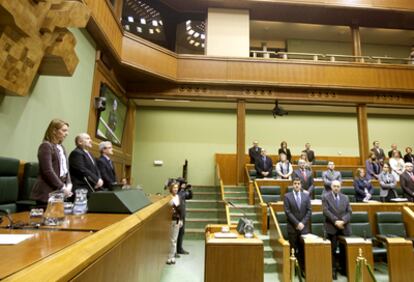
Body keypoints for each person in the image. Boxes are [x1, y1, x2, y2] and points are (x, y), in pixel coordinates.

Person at [31, 119, 72, 207]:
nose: (67, 133)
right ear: (54, 131)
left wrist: (69, 184)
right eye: (64, 130)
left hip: (58, 193)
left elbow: (66, 169)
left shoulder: (62, 148)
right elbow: (47, 171)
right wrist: (62, 187)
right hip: (46, 193)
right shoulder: (46, 146)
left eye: (67, 131)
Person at [322, 180, 352, 280]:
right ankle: (333, 271)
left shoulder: (345, 197)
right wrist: (336, 222)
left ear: (340, 187)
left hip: (344, 227)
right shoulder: (326, 197)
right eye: (334, 186)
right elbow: (326, 211)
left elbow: (349, 212)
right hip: (332, 227)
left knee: (344, 250)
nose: (336, 188)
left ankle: (344, 270)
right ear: (331, 187)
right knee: (333, 250)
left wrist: (342, 221)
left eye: (338, 186)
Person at [283, 178, 311, 276]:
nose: (297, 185)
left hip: (303, 228)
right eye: (295, 183)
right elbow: (287, 212)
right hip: (292, 228)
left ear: (301, 185)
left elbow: (309, 211)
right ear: (292, 185)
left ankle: (302, 270)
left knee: (303, 250)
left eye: (298, 183)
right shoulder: (287, 196)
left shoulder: (306, 196)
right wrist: (297, 223)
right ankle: (293, 270)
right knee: (293, 249)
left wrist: (302, 223)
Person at [166, 181, 183, 265]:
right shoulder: (168, 198)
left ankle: (172, 256)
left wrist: (181, 220)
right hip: (169, 220)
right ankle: (169, 256)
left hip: (176, 220)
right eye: (174, 188)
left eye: (177, 188)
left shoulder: (178, 197)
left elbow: (181, 210)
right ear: (171, 189)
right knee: (169, 239)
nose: (176, 189)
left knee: (174, 239)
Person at [176, 177, 193, 256]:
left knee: (181, 232)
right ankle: (176, 250)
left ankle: (179, 248)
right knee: (176, 233)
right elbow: (179, 196)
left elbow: (189, 196)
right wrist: (183, 189)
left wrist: (189, 189)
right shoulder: (177, 192)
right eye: (184, 184)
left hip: (182, 215)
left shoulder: (182, 192)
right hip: (177, 216)